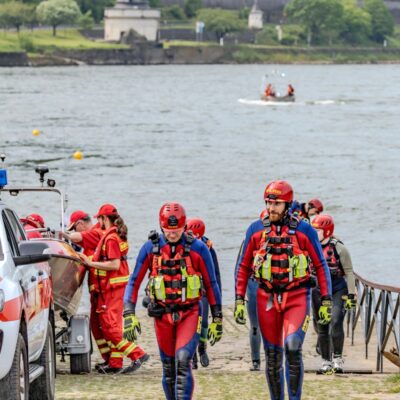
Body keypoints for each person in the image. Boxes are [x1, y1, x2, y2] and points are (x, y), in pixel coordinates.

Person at [234, 180, 332, 400]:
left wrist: (326, 300)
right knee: (272, 355)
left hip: (297, 296)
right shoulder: (256, 229)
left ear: (287, 205)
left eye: (276, 203)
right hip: (265, 297)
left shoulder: (304, 230)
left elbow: (320, 265)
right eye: (268, 203)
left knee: (293, 346)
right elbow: (243, 266)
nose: (271, 208)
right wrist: (239, 299)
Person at [123, 202, 222, 400]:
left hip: (190, 313)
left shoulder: (198, 249)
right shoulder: (150, 248)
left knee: (184, 361)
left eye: (176, 230)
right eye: (168, 230)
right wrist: (128, 313)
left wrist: (217, 317)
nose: (172, 234)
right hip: (162, 315)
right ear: (161, 227)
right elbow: (134, 281)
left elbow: (211, 284)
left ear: (184, 227)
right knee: (168, 368)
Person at [78, 204, 149, 374]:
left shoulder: (110, 238)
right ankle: (115, 362)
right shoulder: (116, 234)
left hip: (112, 288)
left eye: (99, 219)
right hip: (113, 287)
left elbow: (114, 264)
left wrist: (90, 263)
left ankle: (137, 354)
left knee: (110, 327)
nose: (98, 222)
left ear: (104, 219)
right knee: (111, 326)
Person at [62, 210, 112, 370]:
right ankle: (108, 359)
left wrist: (64, 235)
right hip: (98, 291)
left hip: (106, 291)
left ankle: (117, 361)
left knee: (108, 327)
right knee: (97, 326)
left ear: (80, 224)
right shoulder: (96, 235)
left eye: (74, 228)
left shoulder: (94, 233)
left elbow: (78, 237)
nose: (75, 232)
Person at [311, 214, 356, 374]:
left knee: (336, 320)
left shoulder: (339, 248)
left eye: (317, 230)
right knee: (322, 325)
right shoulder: (309, 247)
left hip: (338, 289)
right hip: (317, 290)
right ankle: (326, 361)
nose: (313, 232)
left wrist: (352, 294)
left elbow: (349, 272)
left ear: (327, 231)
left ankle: (337, 358)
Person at [186, 218, 222, 369]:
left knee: (203, 323)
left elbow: (215, 274)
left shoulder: (207, 248)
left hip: (205, 291)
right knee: (192, 324)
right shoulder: (185, 247)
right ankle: (192, 357)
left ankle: (202, 349)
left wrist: (217, 295)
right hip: (189, 291)